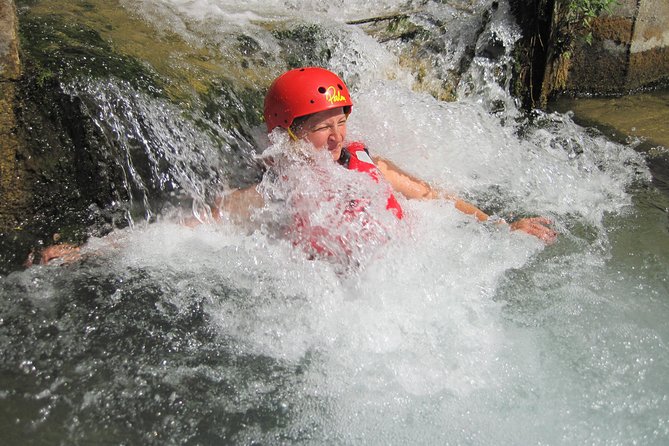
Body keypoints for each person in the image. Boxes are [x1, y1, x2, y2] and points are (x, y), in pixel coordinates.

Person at [213, 66, 557, 244]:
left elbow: (434, 197)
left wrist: (501, 226)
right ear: (289, 133)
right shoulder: (274, 190)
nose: (337, 137)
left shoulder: (371, 164)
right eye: (322, 128)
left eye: (341, 122)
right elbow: (207, 222)